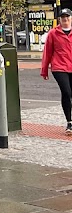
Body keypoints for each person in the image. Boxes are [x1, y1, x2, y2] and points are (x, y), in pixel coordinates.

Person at [41, 7, 72, 135]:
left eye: (67, 18)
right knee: (66, 92)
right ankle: (69, 122)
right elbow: (47, 52)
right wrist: (44, 70)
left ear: (71, 19)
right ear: (59, 19)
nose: (65, 20)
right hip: (59, 67)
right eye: (63, 18)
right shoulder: (53, 33)